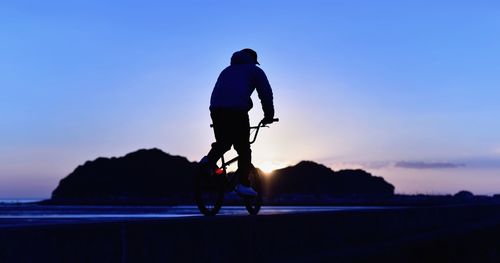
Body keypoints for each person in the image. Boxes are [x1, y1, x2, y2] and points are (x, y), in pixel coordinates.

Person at [200, 48, 275, 196]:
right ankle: (243, 184)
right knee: (243, 149)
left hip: (216, 110)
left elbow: (222, 92)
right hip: (236, 111)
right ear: (253, 60)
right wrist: (269, 115)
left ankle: (207, 162)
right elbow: (265, 94)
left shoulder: (226, 71)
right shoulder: (255, 71)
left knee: (224, 143)